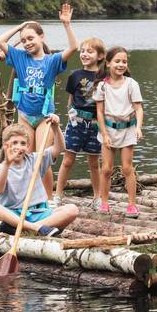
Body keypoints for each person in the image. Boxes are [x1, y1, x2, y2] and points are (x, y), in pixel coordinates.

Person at [0, 8, 78, 197]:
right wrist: (20, 27)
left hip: (44, 117)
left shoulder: (52, 60)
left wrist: (66, 24)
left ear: (42, 37)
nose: (27, 43)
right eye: (24, 40)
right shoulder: (19, 57)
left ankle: (48, 199)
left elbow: (73, 47)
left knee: (41, 159)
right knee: (26, 156)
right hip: (24, 114)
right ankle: (30, 196)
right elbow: (0, 41)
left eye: (31, 38)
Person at [0, 117, 79, 237]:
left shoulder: (35, 160)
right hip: (12, 215)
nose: (18, 147)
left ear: (27, 147)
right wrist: (7, 164)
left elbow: (59, 148)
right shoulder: (1, 168)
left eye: (22, 143)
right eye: (14, 143)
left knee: (72, 210)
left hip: (39, 213)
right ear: (6, 146)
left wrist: (56, 127)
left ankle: (22, 229)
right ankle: (35, 228)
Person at [55, 37, 106, 207]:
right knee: (68, 159)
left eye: (89, 51)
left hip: (95, 125)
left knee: (94, 162)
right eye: (82, 51)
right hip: (76, 123)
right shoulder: (75, 75)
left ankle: (97, 197)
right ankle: (58, 195)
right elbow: (71, 99)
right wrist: (70, 115)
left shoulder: (104, 76)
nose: (84, 54)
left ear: (100, 56)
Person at [94, 47, 145, 217]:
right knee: (106, 169)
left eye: (124, 61)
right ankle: (104, 202)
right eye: (117, 61)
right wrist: (105, 135)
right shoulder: (101, 86)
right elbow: (99, 112)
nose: (121, 64)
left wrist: (138, 127)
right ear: (108, 63)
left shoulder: (131, 84)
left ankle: (132, 204)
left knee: (127, 167)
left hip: (128, 129)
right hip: (108, 129)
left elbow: (138, 108)